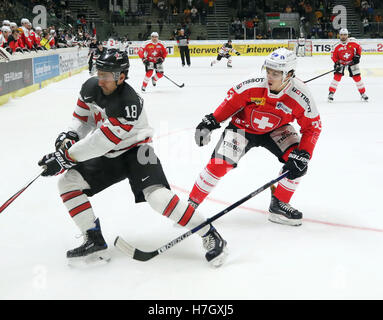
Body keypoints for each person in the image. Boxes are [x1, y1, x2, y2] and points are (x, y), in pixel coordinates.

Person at [37, 48, 227, 267]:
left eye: (106, 75)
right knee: (68, 183)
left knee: (158, 198)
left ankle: (209, 233)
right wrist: (71, 134)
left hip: (138, 152)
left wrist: (65, 157)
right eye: (99, 72)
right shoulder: (90, 87)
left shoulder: (128, 104)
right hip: (110, 154)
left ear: (122, 77)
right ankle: (94, 239)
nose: (100, 79)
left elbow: (100, 141)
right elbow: (83, 119)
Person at [189, 48, 322, 226]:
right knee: (218, 165)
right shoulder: (251, 84)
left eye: (276, 73)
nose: (269, 76)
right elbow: (230, 104)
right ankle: (190, 205)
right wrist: (210, 122)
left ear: (289, 74)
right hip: (242, 127)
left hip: (278, 128)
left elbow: (313, 127)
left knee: (297, 162)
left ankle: (279, 204)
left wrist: (304, 153)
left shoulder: (301, 95)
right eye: (268, 71)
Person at [328, 28, 368, 102]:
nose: (343, 36)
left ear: (347, 35)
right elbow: (333, 56)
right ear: (339, 35)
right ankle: (331, 93)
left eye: (345, 35)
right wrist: (337, 63)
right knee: (337, 77)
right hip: (341, 62)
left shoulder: (353, 42)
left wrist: (358, 56)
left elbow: (359, 48)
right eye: (342, 35)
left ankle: (363, 93)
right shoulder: (336, 46)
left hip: (352, 62)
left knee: (357, 77)